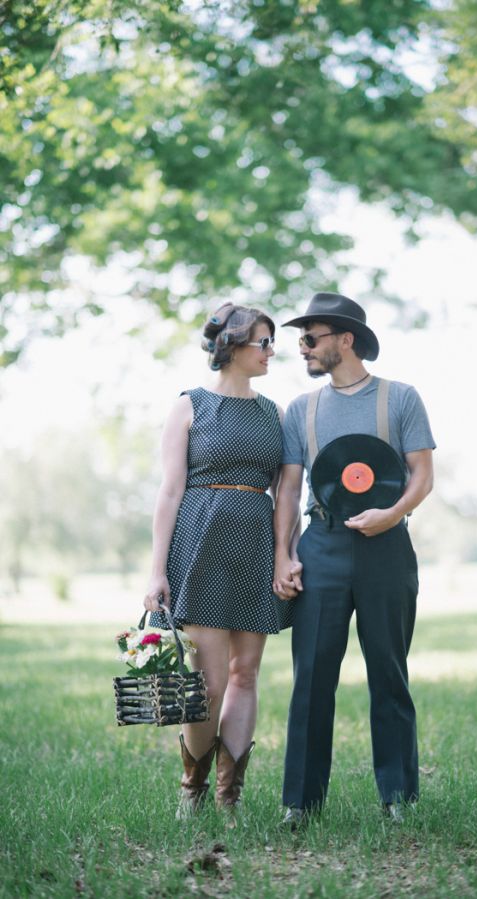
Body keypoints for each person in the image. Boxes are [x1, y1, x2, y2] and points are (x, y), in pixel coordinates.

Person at [273, 291, 435, 827]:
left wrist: (392, 514)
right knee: (311, 677)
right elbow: (289, 489)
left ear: (345, 339)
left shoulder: (400, 398)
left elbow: (421, 475)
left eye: (310, 338)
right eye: (300, 339)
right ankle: (300, 803)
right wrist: (283, 556)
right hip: (320, 548)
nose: (302, 347)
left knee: (389, 672)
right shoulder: (301, 410)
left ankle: (398, 797)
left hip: (387, 549)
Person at [144, 302, 287, 818]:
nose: (271, 352)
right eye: (263, 342)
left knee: (245, 673)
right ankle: (193, 788)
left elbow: (285, 492)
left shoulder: (274, 414)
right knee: (208, 683)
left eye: (272, 342)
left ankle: (229, 797)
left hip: (255, 545)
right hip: (200, 545)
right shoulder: (190, 405)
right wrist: (157, 570)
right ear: (232, 346)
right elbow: (169, 491)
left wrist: (284, 555)